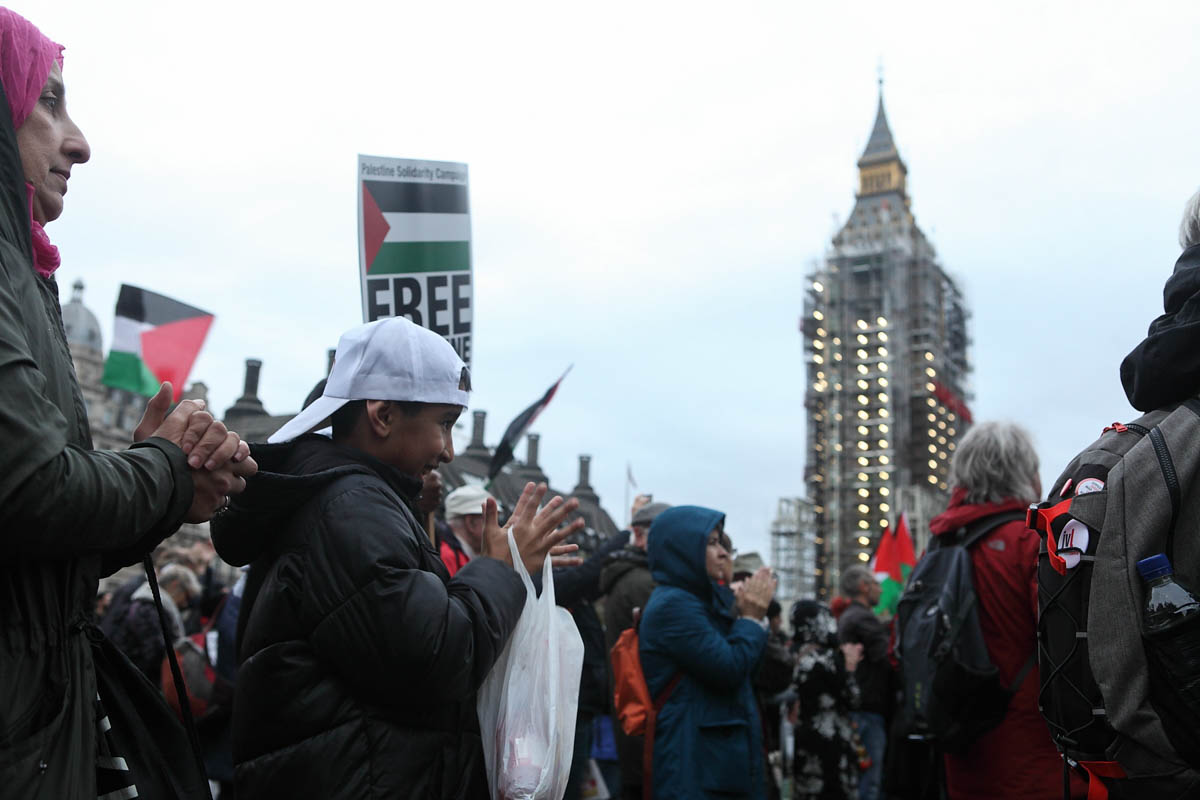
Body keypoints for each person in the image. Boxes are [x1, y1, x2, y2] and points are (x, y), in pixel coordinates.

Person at [0, 10, 256, 798]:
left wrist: (162, 489)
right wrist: (165, 470)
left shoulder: (26, 275)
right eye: (48, 101)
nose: (79, 141)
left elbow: (42, 563)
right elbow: (31, 492)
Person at [210, 316, 582, 799]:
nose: (449, 451)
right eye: (444, 424)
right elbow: (436, 659)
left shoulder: (352, 501)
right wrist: (499, 570)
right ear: (383, 415)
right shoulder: (351, 510)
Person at [934, 422, 1084, 799]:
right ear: (1025, 475)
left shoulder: (937, 549)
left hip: (961, 758)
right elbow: (1071, 651)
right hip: (1036, 762)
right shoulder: (1031, 542)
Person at [638, 505, 778, 800]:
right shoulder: (674, 605)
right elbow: (729, 668)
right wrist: (751, 619)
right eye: (712, 543)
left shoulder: (700, 600)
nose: (724, 553)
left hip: (716, 761)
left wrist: (743, 612)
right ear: (683, 550)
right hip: (694, 763)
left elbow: (750, 669)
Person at [600, 498, 668, 800]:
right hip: (645, 717)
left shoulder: (634, 577)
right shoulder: (644, 584)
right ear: (640, 536)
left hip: (635, 715)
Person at [789, 599, 863, 800]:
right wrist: (850, 667)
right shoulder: (827, 658)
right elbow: (853, 698)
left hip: (801, 738)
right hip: (831, 741)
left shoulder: (791, 654)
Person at [836, 565, 890, 800]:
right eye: (876, 584)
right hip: (867, 710)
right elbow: (887, 657)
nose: (881, 589)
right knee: (869, 784)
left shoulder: (852, 616)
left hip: (861, 708)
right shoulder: (861, 618)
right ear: (863, 587)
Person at [106, 561, 201, 682]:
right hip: (135, 680)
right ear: (175, 585)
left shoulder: (151, 607)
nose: (185, 603)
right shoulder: (149, 610)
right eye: (186, 596)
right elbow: (155, 655)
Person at [440, 482, 495, 576]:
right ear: (471, 523)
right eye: (492, 520)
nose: (497, 528)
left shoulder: (461, 556)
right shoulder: (447, 557)